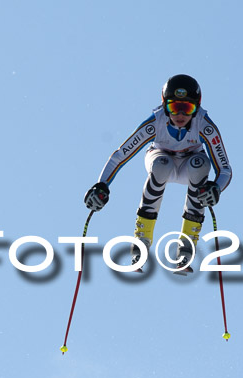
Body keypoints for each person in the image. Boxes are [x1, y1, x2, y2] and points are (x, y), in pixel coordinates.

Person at [83, 74, 232, 274]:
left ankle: (186, 246)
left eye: (187, 108)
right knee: (163, 165)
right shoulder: (156, 122)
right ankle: (141, 243)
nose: (180, 115)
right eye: (173, 108)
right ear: (164, 106)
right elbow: (120, 156)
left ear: (196, 108)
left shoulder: (204, 126)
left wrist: (215, 188)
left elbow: (225, 170)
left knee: (200, 165)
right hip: (160, 158)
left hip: (190, 163)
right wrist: (102, 185)